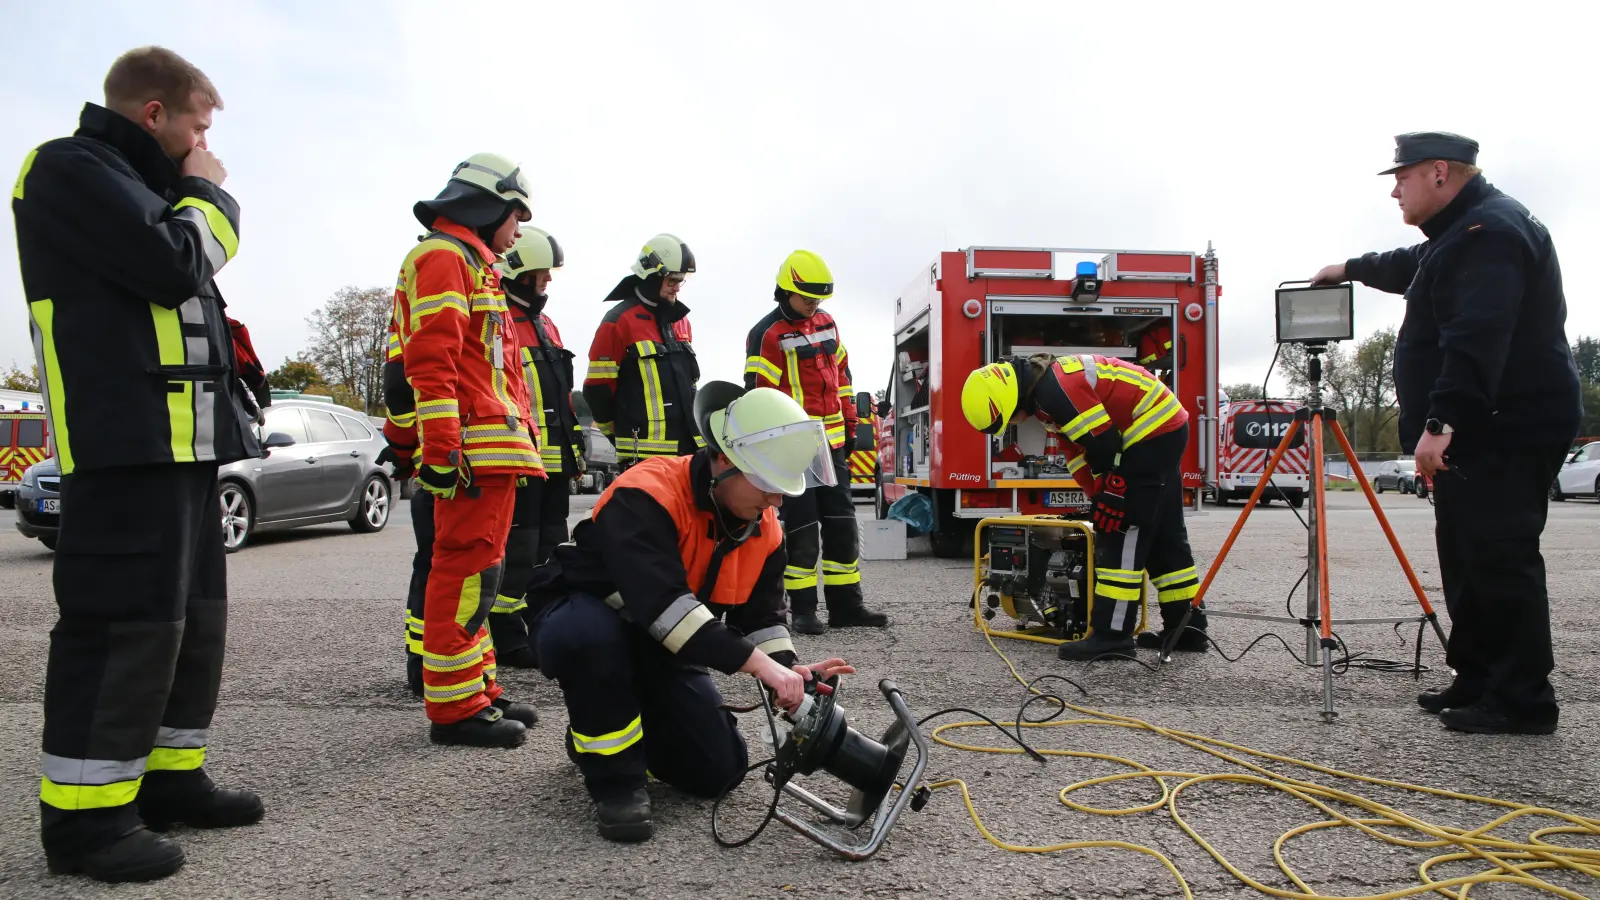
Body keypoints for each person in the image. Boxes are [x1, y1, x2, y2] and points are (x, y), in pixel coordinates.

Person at [11, 45, 263, 883]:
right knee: (119, 634)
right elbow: (171, 267)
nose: (204, 141)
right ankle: (85, 824)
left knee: (187, 627)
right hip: (124, 448)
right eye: (197, 122)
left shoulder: (150, 189)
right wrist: (212, 193)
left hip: (186, 450)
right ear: (153, 114)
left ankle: (168, 778)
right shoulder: (67, 168)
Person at [1311, 132, 1581, 735]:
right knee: (1465, 554)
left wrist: (1440, 423)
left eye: (1401, 176)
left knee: (1499, 556)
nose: (1394, 190)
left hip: (1503, 428)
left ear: (1439, 172)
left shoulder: (1491, 234)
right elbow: (1409, 264)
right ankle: (1479, 676)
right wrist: (1348, 269)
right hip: (1483, 430)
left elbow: (1477, 334)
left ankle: (1522, 700)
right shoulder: (1462, 233)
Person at [530, 382, 854, 842]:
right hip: (585, 614)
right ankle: (615, 779)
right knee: (588, 639)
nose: (777, 502)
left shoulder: (764, 529)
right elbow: (665, 607)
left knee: (719, 770)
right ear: (722, 459)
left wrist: (786, 669)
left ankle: (606, 717)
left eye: (784, 489)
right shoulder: (646, 494)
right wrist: (759, 666)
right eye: (766, 483)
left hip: (659, 643)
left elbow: (762, 618)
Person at [378, 153, 544, 746]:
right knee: (465, 574)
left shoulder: (471, 265)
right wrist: (442, 451)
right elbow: (431, 363)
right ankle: (453, 711)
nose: (519, 231)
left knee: (484, 574)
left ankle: (479, 691)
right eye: (516, 216)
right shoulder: (444, 258)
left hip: (491, 450)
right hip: (471, 451)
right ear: (490, 205)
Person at [960, 354, 1205, 660]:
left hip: (1148, 436)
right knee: (1165, 539)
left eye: (1007, 417)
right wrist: (1097, 495)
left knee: (1121, 532)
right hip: (1161, 432)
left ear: (1008, 398)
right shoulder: (1046, 394)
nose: (1011, 423)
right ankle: (1187, 630)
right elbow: (1077, 453)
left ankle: (1112, 636)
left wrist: (1112, 495)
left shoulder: (1055, 392)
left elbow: (1103, 445)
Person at [744, 250, 888, 634]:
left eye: (818, 299)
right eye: (807, 298)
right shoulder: (767, 335)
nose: (813, 306)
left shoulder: (827, 323)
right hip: (793, 448)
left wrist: (853, 422)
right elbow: (759, 395)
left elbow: (842, 375)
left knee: (842, 525)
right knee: (802, 530)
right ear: (785, 292)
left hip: (834, 444)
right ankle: (803, 610)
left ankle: (847, 607)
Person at [482, 227, 584, 667]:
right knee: (518, 551)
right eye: (542, 273)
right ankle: (504, 634)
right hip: (519, 456)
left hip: (555, 458)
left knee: (552, 546)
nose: (547, 281)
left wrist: (575, 444)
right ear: (518, 272)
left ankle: (542, 624)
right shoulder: (497, 320)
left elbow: (561, 397)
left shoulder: (546, 325)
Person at [582, 234, 702, 470]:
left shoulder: (681, 321)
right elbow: (598, 390)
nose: (677, 287)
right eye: (671, 280)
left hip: (688, 452)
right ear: (650, 274)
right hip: (643, 455)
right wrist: (615, 435)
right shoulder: (618, 321)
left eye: (681, 280)